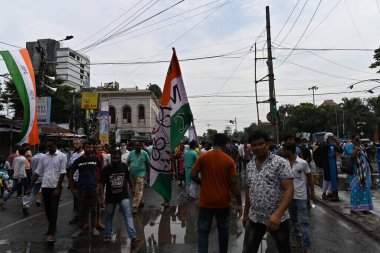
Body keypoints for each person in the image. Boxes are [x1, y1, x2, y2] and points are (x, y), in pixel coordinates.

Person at [242, 130, 294, 253]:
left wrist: (278, 214)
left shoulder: (280, 163)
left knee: (284, 249)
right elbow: (249, 189)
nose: (258, 147)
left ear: (267, 144)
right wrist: (245, 213)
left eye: (261, 144)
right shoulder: (249, 165)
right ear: (250, 147)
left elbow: (289, 189)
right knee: (248, 250)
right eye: (254, 145)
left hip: (277, 219)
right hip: (255, 218)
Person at [190, 133, 242, 253]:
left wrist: (202, 183)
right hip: (223, 202)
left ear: (213, 143)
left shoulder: (203, 157)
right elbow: (234, 185)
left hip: (206, 202)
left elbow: (192, 175)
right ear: (225, 144)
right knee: (223, 230)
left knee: (203, 232)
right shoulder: (229, 161)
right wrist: (239, 203)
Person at [27, 139, 67, 242]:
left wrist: (58, 188)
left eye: (51, 146)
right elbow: (38, 172)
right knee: (47, 210)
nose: (49, 149)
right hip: (45, 187)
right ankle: (52, 226)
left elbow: (62, 173)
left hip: (55, 187)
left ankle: (50, 233)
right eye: (47, 147)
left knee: (54, 209)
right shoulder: (44, 157)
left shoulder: (62, 156)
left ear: (55, 145)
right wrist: (30, 187)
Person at [100, 149, 138, 243]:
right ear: (111, 158)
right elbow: (101, 184)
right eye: (114, 158)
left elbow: (129, 178)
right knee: (108, 217)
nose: (115, 160)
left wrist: (133, 188)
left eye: (117, 158)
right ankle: (108, 234)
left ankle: (133, 236)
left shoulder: (124, 166)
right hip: (110, 198)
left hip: (123, 196)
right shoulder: (106, 169)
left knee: (128, 216)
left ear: (120, 158)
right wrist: (101, 198)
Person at [283, 142, 316, 252]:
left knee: (304, 222)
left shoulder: (303, 163)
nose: (283, 152)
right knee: (293, 220)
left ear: (289, 150)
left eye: (284, 149)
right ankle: (297, 239)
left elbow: (310, 178)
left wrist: (312, 193)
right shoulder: (284, 163)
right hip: (289, 197)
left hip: (301, 196)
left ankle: (306, 246)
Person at [70, 141, 102, 238]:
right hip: (81, 188)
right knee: (81, 209)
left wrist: (100, 183)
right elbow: (70, 174)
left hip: (93, 188)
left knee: (94, 209)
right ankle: (81, 228)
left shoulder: (96, 159)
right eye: (88, 147)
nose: (90, 149)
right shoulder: (78, 160)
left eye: (91, 147)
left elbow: (103, 171)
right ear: (84, 148)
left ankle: (94, 228)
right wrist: (73, 188)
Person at [345, 134, 374, 214]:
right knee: (356, 189)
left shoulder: (360, 146)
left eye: (359, 139)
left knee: (365, 188)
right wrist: (357, 146)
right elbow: (352, 154)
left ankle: (364, 207)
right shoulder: (349, 146)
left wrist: (361, 147)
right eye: (356, 139)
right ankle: (354, 208)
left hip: (364, 172)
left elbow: (364, 155)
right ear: (352, 139)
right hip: (355, 172)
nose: (358, 140)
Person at [127, 141, 150, 214]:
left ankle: (134, 206)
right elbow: (128, 161)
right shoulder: (131, 153)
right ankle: (141, 201)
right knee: (137, 190)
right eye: (136, 145)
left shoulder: (144, 153)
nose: (137, 147)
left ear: (141, 146)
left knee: (137, 190)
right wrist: (128, 168)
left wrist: (148, 175)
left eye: (138, 145)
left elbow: (148, 164)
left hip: (141, 174)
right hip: (132, 174)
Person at [319, 133, 342, 201]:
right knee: (326, 179)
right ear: (327, 137)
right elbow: (325, 146)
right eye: (331, 137)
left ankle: (330, 192)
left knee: (333, 178)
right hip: (326, 164)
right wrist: (334, 142)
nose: (332, 138)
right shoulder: (323, 143)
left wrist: (337, 143)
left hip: (332, 164)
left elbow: (340, 150)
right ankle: (324, 193)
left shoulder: (331, 144)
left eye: (332, 137)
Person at [25, 143, 48, 211]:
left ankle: (27, 205)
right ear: (44, 149)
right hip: (44, 177)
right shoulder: (45, 157)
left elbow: (31, 168)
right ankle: (43, 207)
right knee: (44, 193)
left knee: (34, 192)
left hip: (35, 177)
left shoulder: (33, 158)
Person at [67, 139, 84, 225]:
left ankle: (85, 219)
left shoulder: (84, 155)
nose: (75, 145)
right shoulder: (73, 155)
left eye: (77, 144)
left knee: (83, 200)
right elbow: (69, 167)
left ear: (81, 144)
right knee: (76, 200)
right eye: (74, 144)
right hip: (75, 180)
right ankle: (78, 217)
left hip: (83, 180)